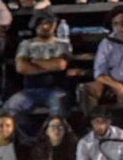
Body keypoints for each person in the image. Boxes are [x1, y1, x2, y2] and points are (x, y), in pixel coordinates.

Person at [5, 12, 74, 143]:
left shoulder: (62, 44)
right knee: (10, 107)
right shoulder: (26, 44)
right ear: (35, 26)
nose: (46, 27)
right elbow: (21, 68)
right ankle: (31, 142)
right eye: (42, 23)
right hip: (30, 90)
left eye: (49, 23)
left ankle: (54, 144)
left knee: (58, 112)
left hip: (56, 89)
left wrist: (34, 61)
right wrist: (48, 65)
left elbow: (59, 65)